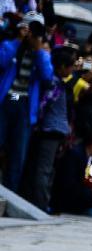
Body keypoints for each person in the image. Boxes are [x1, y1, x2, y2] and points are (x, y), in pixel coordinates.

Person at [0, 12, 53, 192]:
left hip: (24, 106)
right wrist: (18, 40)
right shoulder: (10, 44)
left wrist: (38, 49)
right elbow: (1, 60)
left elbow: (47, 76)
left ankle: (9, 195)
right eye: (30, 27)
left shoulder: (41, 53)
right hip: (5, 102)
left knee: (17, 154)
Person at [21, 45, 75, 211]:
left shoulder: (58, 82)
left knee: (45, 169)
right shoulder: (54, 84)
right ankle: (41, 204)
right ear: (61, 67)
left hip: (54, 130)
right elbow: (44, 104)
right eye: (69, 66)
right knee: (44, 169)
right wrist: (37, 122)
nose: (71, 70)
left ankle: (41, 201)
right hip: (50, 130)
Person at [50, 128, 92, 217]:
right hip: (74, 191)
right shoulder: (75, 154)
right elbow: (69, 183)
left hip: (89, 188)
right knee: (88, 195)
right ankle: (87, 209)